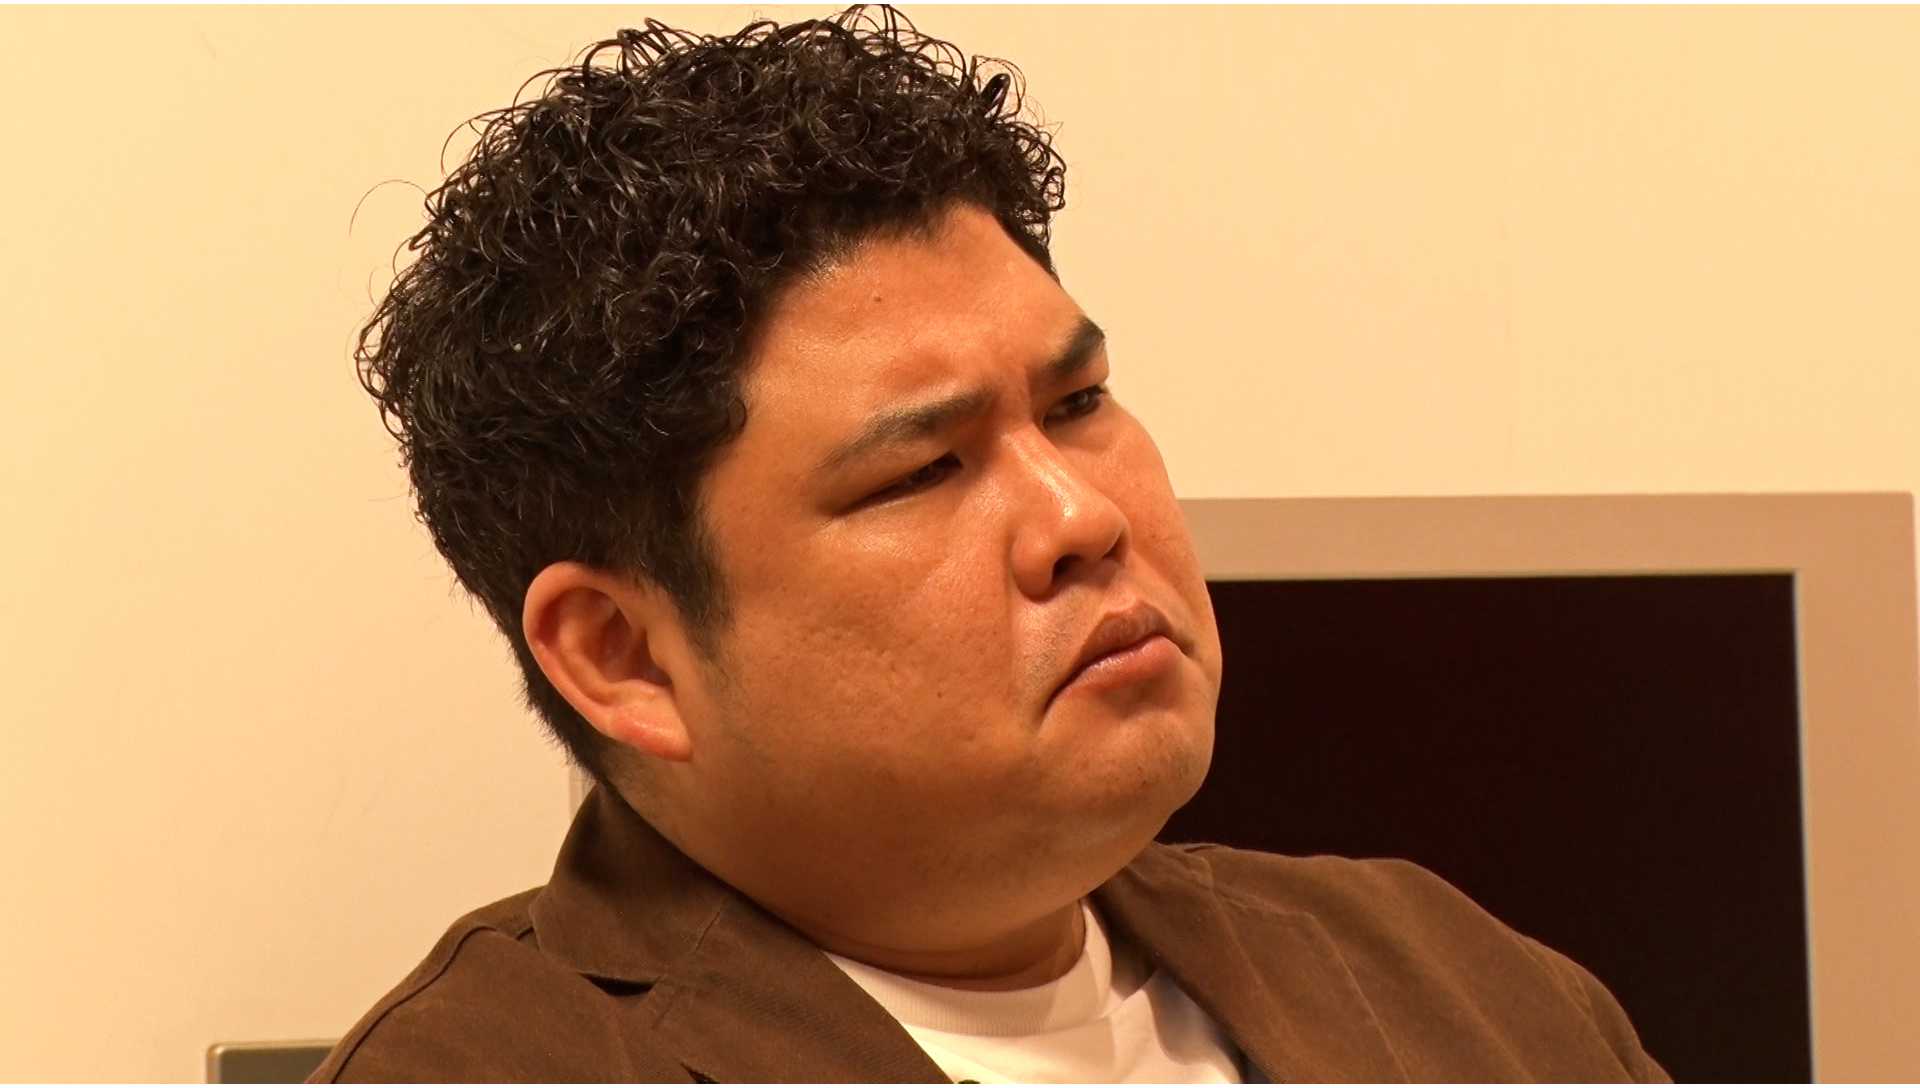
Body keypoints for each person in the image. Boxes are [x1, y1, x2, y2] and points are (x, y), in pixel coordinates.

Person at [311, 7, 1670, 1083]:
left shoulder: (1455, 982)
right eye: (924, 470)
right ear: (625, 657)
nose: (1085, 518)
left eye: (1078, 405)